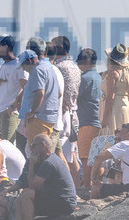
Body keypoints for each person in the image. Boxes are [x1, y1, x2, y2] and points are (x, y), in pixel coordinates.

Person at [98, 44, 129, 156]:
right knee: (127, 142)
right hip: (128, 107)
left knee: (113, 140)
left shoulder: (113, 73)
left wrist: (104, 119)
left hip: (115, 109)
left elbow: (111, 98)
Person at [49, 37, 81, 169]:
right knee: (71, 154)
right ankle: (76, 186)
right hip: (73, 113)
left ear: (60, 48)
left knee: (61, 153)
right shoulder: (75, 66)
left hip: (62, 113)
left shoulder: (58, 67)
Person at [19, 47, 63, 141]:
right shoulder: (49, 69)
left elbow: (40, 93)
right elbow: (59, 93)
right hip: (49, 118)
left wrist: (32, 112)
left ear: (30, 61)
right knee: (44, 150)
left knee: (36, 152)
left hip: (38, 119)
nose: (24, 70)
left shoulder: (37, 70)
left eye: (23, 66)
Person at [0, 35, 26, 142]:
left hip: (10, 113)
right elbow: (3, 91)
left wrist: (13, 107)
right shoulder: (3, 66)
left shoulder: (18, 65)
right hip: (0, 111)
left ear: (5, 47)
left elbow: (26, 87)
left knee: (7, 146)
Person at [75, 48, 102, 182]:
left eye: (79, 60)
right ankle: (96, 185)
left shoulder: (85, 79)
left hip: (87, 124)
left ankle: (87, 187)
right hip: (98, 122)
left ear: (86, 60)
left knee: (86, 158)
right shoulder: (99, 77)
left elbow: (74, 97)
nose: (77, 63)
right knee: (98, 158)